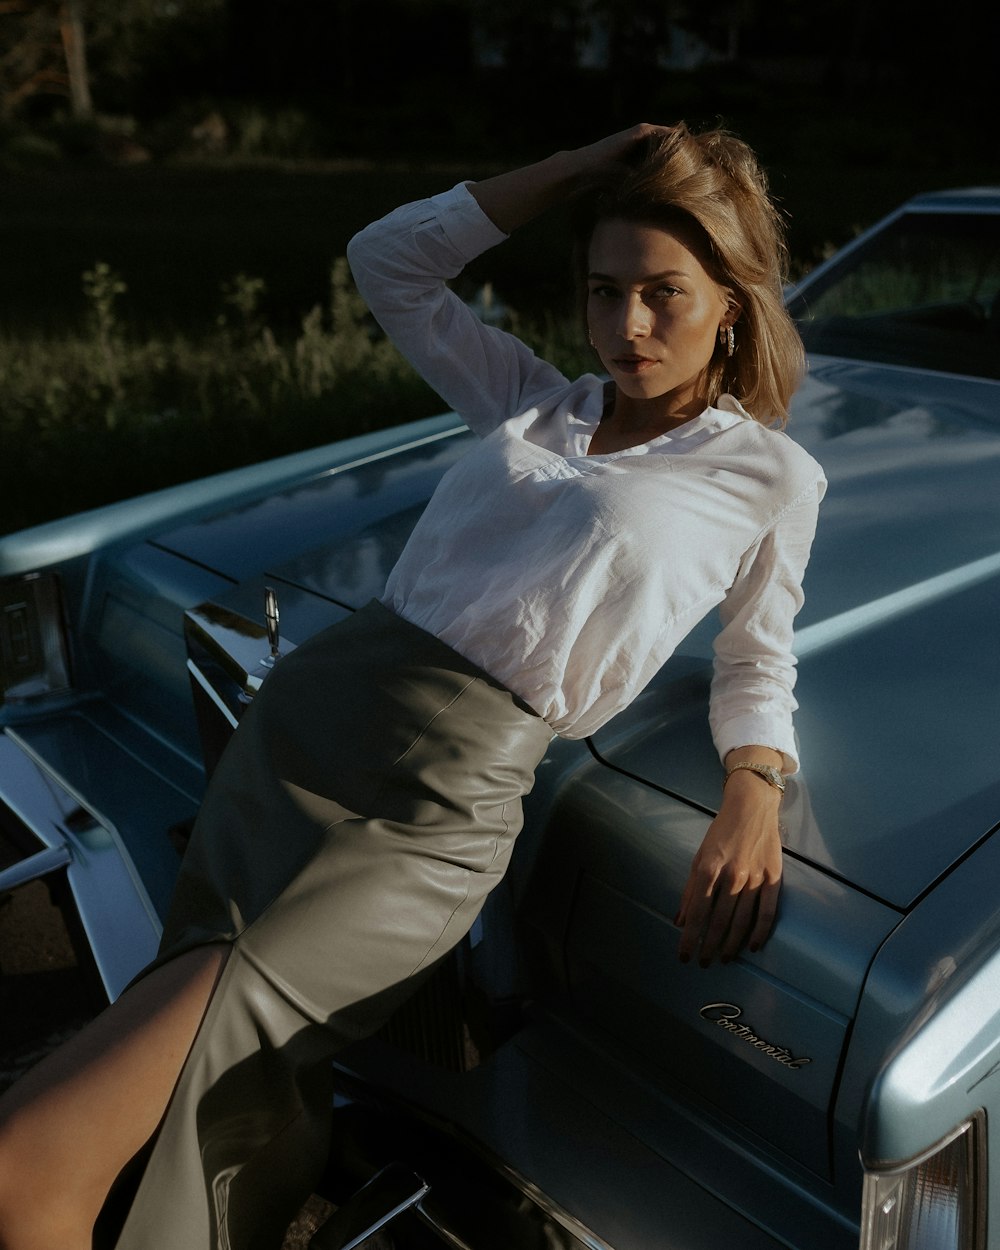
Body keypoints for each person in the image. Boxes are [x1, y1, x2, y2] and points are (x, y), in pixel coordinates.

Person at [0, 122, 825, 1250]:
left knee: (41, 1150)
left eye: (664, 294)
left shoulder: (767, 473)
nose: (626, 325)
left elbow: (755, 653)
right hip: (303, 736)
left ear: (732, 301)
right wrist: (569, 170)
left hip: (433, 811)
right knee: (177, 1085)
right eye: (602, 289)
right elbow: (387, 261)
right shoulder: (535, 405)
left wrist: (756, 786)